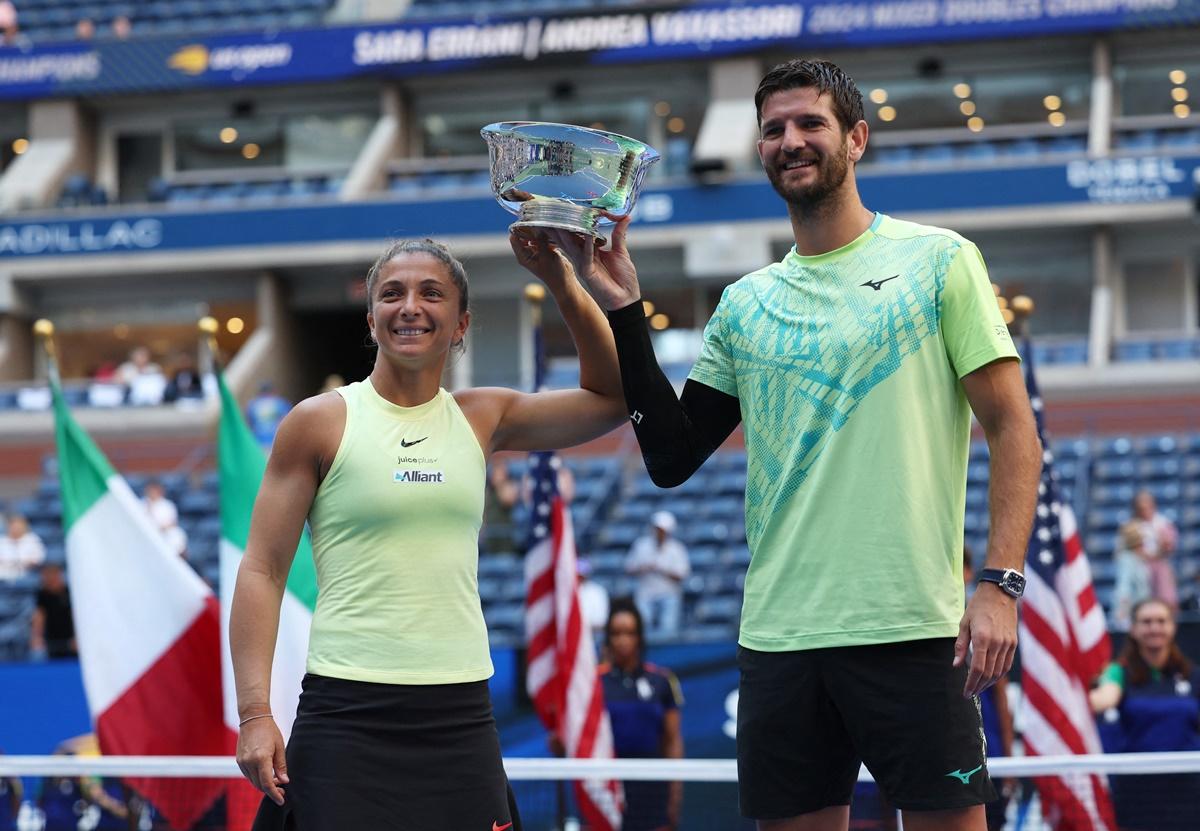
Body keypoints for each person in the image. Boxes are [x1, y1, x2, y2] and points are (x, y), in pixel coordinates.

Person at [575, 59, 1042, 830]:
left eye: (809, 124)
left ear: (855, 138)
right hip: (781, 640)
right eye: (773, 130)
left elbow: (1012, 426)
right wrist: (625, 306)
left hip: (913, 630)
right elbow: (670, 455)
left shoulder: (940, 261)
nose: (790, 141)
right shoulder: (744, 304)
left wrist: (1000, 582)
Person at [229, 232, 626, 829]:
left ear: (461, 322)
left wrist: (562, 278)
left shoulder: (484, 416)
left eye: (431, 293)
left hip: (459, 712)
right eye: (392, 293)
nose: (410, 306)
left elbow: (614, 396)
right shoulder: (319, 422)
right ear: (371, 319)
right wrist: (255, 712)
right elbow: (262, 570)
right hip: (346, 710)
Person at [1089, 598, 1200, 830]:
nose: (1154, 628)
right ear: (1133, 629)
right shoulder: (1118, 671)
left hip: (1189, 791)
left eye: (1161, 621)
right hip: (1136, 793)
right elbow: (1103, 699)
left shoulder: (1191, 674)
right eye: (1146, 622)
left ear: (1173, 627)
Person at [599, 598, 684, 831]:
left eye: (629, 632)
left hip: (653, 785)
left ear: (640, 637)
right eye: (616, 633)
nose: (623, 640)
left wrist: (674, 796)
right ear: (608, 638)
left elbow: (672, 740)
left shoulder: (662, 680)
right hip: (609, 788)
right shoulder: (595, 683)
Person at [962, 549, 1014, 831]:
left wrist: (1009, 763)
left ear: (969, 572)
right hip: (941, 756)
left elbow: (1002, 703)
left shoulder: (985, 626)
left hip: (989, 756)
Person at [625, 510, 690, 639]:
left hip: (668, 594)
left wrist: (662, 570)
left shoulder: (677, 549)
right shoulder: (641, 545)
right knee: (643, 628)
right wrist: (644, 568)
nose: (659, 532)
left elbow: (682, 575)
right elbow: (629, 568)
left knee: (667, 630)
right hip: (646, 593)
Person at [1122, 490, 1179, 610]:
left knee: (1165, 594)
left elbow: (1169, 547)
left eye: (1148, 506)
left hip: (1160, 566)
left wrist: (1163, 547)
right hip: (1139, 568)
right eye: (1141, 507)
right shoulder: (1131, 526)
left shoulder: (1163, 523)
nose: (1145, 510)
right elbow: (1134, 549)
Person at [1111, 521, 1152, 630]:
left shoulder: (1138, 560)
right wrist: (1122, 613)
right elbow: (1123, 588)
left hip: (1141, 612)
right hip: (1130, 616)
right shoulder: (1126, 559)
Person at [32, 563, 76, 659]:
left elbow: (77, 616)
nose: (48, 579)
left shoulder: (70, 592)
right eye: (46, 576)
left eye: (52, 575)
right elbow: (39, 617)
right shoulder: (42, 595)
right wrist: (37, 637)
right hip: (52, 640)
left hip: (71, 639)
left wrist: (77, 636)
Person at [142, 480, 188, 558]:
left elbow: (172, 523)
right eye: (150, 490)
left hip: (164, 533)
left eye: (154, 490)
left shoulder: (167, 505)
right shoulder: (141, 503)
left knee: (177, 535)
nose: (152, 493)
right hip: (145, 533)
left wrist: (160, 529)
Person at [245, 381, 292, 450]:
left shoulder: (252, 405)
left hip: (258, 443)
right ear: (273, 391)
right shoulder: (281, 403)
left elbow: (249, 425)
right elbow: (288, 422)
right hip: (277, 443)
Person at [0, 514, 46, 581]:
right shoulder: (2, 540)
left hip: (28, 573)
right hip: (4, 574)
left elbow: (39, 559)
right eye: (13, 526)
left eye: (18, 526)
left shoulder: (33, 539)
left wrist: (23, 563)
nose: (16, 528)